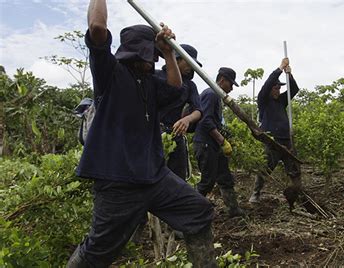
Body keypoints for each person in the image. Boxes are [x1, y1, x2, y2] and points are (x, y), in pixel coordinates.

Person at [66, 0, 216, 267]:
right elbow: (98, 29)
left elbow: (174, 86)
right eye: (148, 56)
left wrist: (169, 52)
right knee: (96, 252)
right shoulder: (110, 74)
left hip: (154, 177)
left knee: (199, 211)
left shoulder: (152, 84)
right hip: (117, 183)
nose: (150, 62)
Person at [192, 67, 245, 218]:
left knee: (225, 178)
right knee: (206, 183)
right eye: (231, 84)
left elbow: (213, 122)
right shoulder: (211, 94)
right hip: (206, 145)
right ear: (222, 80)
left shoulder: (214, 95)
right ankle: (190, 214)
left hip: (213, 145)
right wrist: (222, 141)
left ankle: (233, 210)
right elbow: (206, 121)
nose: (232, 88)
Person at [249, 57, 302, 203]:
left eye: (279, 88)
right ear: (270, 89)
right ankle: (256, 193)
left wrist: (289, 74)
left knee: (294, 169)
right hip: (272, 141)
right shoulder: (263, 100)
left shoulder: (281, 101)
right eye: (276, 88)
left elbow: (294, 89)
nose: (278, 90)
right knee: (265, 169)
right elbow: (266, 84)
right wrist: (280, 68)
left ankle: (298, 194)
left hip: (286, 140)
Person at [157, 44, 202, 180]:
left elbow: (198, 110)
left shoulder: (189, 85)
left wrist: (187, 119)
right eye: (188, 62)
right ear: (177, 59)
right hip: (152, 133)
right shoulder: (156, 76)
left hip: (174, 134)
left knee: (177, 178)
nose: (190, 67)